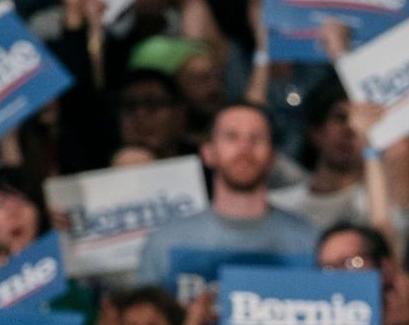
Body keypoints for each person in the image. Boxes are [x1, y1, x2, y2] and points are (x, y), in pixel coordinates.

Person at [133, 105, 321, 288]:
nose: (244, 148)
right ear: (208, 153)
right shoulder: (166, 243)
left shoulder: (309, 241)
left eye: (256, 138)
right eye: (232, 137)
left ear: (272, 156)